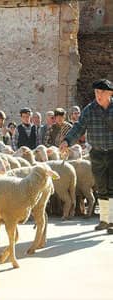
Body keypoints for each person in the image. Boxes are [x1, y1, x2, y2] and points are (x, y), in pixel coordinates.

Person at [60, 79, 113, 234]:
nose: (98, 95)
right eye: (96, 92)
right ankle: (104, 220)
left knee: (112, 187)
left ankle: (111, 221)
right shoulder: (89, 110)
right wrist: (67, 141)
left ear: (110, 93)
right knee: (101, 187)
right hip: (96, 153)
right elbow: (79, 127)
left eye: (102, 92)